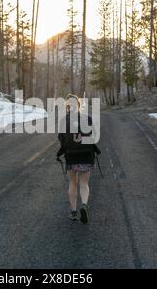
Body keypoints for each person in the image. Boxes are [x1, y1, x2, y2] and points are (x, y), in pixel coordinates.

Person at [56, 94, 101, 224]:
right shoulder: (88, 119)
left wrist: (60, 153)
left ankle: (74, 212)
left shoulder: (64, 121)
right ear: (79, 105)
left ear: (67, 106)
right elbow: (94, 137)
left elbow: (62, 140)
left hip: (71, 156)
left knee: (72, 183)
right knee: (84, 184)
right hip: (86, 155)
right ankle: (84, 205)